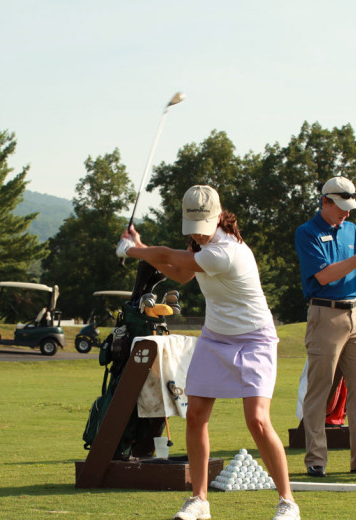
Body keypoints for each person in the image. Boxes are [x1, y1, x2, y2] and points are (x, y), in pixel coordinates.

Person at [118, 185, 300, 520]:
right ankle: (199, 500)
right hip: (215, 339)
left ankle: (287, 503)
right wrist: (141, 248)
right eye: (194, 230)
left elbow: (173, 258)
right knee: (196, 414)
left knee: (258, 420)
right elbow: (181, 272)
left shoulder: (226, 251)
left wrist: (136, 250)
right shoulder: (202, 247)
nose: (198, 236)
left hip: (254, 340)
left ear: (218, 219)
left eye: (203, 229)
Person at [294, 176, 356, 477]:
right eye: (341, 207)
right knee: (320, 389)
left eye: (350, 207)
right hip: (325, 314)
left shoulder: (352, 229)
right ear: (324, 201)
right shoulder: (307, 232)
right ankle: (316, 459)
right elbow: (324, 276)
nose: (347, 214)